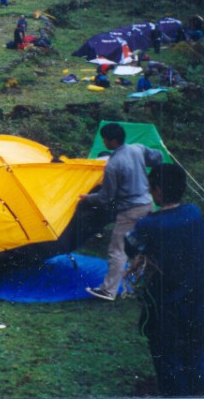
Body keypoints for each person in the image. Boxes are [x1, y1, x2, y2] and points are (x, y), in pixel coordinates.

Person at [125, 164, 204, 396]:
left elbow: (131, 246)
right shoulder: (193, 212)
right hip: (196, 296)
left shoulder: (149, 224)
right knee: (195, 346)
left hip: (165, 301)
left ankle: (175, 392)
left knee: (166, 352)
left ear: (158, 190)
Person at [78, 122, 162, 301]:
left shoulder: (113, 165)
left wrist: (87, 198)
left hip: (130, 211)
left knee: (118, 250)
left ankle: (108, 290)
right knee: (142, 248)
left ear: (113, 141)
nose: (104, 142)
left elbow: (105, 197)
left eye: (105, 139)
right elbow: (158, 157)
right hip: (148, 205)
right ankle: (141, 285)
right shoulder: (137, 149)